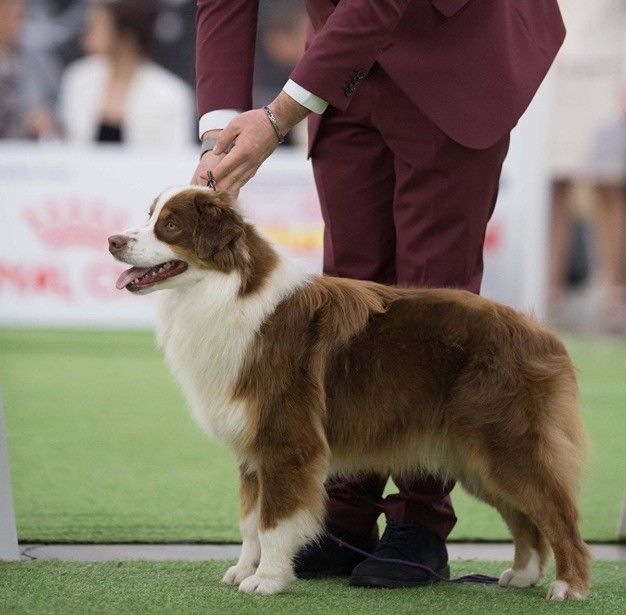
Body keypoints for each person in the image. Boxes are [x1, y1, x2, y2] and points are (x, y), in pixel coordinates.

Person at [192, 0, 565, 588]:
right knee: (348, 291)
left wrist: (277, 116)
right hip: (345, 68)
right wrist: (219, 136)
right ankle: (345, 511)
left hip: (457, 44)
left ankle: (420, 519)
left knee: (433, 303)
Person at [548, 0, 626, 334]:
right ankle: (549, 293)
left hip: (609, 73)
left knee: (608, 185)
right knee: (555, 186)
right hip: (555, 72)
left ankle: (615, 297)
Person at [58, 0, 194, 146]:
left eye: (97, 27)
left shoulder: (170, 95)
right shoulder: (78, 79)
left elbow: (174, 152)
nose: (87, 35)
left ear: (126, 35)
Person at [0, 0, 59, 140]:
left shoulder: (38, 58)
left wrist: (44, 118)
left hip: (22, 145)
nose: (21, 23)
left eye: (23, 15)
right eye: (16, 15)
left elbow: (56, 103)